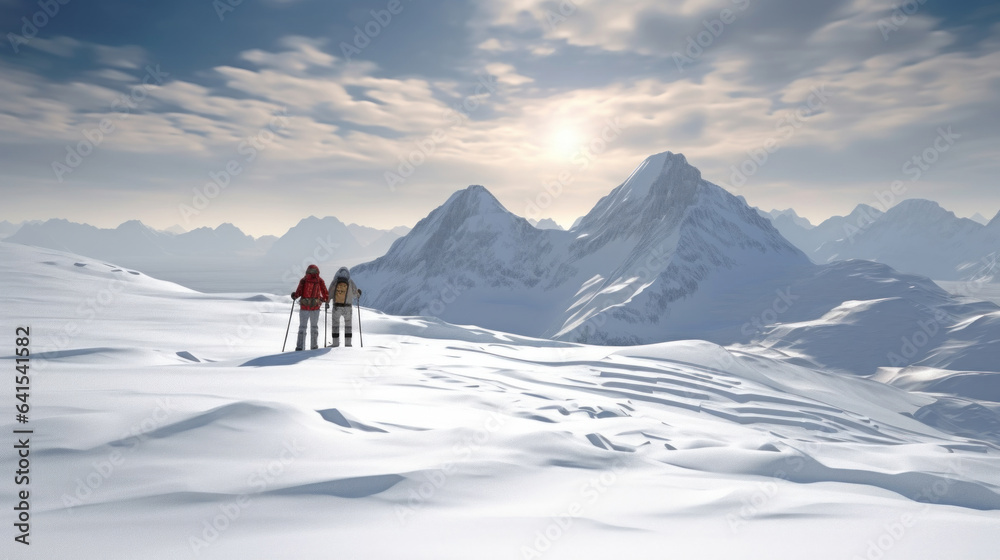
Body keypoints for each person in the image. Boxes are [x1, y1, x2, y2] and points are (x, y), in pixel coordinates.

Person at [291, 264, 329, 351]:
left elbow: (299, 292)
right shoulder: (320, 280)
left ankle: (300, 347)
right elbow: (325, 292)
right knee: (314, 327)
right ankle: (314, 346)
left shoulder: (304, 280)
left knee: (302, 327)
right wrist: (325, 300)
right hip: (315, 307)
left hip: (304, 307)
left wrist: (294, 295)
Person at [327, 266, 361, 347]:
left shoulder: (335, 282)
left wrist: (327, 302)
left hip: (336, 307)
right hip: (348, 307)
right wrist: (359, 293)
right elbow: (355, 294)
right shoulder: (350, 282)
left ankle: (335, 343)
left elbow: (329, 294)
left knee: (335, 324)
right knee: (348, 325)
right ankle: (348, 343)